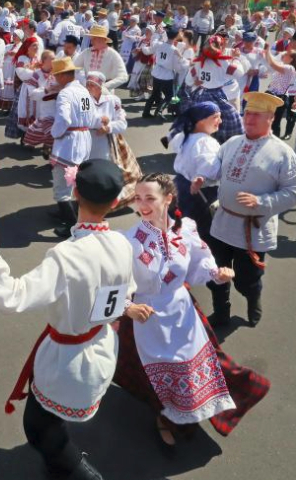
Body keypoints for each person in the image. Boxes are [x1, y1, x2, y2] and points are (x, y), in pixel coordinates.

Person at [0, 160, 137, 480]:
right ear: (116, 202)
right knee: (48, 422)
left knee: (38, 427)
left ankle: (77, 472)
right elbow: (123, 296)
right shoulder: (121, 243)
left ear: (74, 192)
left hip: (67, 360)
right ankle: (61, 467)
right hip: (101, 346)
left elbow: (10, 297)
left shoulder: (67, 255)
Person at [114, 173, 270, 450]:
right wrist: (128, 306)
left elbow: (201, 262)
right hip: (147, 316)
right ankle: (165, 418)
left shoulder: (186, 228)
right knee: (157, 373)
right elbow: (119, 281)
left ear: (168, 198)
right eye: (138, 198)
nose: (142, 205)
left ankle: (184, 413)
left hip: (182, 309)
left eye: (150, 198)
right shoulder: (130, 240)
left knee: (190, 365)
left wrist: (218, 273)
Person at [208, 92, 296, 327]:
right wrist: (202, 177)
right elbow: (217, 169)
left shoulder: (283, 154)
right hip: (222, 223)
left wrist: (261, 202)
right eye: (247, 113)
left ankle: (252, 296)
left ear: (271, 117)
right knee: (216, 274)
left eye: (256, 115)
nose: (248, 119)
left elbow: (293, 193)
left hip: (253, 229)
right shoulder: (232, 143)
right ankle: (221, 312)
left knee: (246, 279)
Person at [49, 57, 101, 238]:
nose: (55, 78)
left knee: (61, 182)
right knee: (75, 178)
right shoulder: (84, 91)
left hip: (69, 140)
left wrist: (54, 133)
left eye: (56, 75)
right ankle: (65, 212)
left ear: (63, 75)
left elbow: (64, 119)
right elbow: (95, 118)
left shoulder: (66, 94)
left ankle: (72, 224)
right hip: (84, 138)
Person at [168, 102, 222, 241]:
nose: (220, 121)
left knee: (177, 224)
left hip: (179, 185)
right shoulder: (206, 142)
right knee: (199, 231)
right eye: (216, 117)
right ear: (201, 120)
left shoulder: (183, 136)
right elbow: (214, 171)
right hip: (199, 193)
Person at [183, 36, 245, 144]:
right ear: (220, 47)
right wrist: (236, 58)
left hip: (202, 95)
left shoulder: (199, 62)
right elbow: (239, 73)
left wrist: (197, 81)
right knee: (232, 121)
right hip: (218, 96)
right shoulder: (222, 62)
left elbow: (188, 80)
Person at [23, 51, 59, 159]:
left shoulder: (59, 73)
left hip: (58, 107)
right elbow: (32, 94)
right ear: (44, 61)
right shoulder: (36, 75)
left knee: (56, 131)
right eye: (52, 59)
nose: (54, 61)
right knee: (49, 130)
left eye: (55, 58)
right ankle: (48, 147)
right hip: (44, 109)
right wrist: (47, 90)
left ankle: (49, 148)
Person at [85, 72, 127, 161]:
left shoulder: (113, 100)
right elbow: (84, 119)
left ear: (100, 87)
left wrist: (108, 127)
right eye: (87, 84)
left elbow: (122, 124)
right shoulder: (84, 100)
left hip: (106, 144)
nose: (88, 88)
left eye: (92, 85)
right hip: (87, 142)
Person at [142, 28, 183, 119]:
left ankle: (146, 112)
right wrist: (180, 64)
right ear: (175, 37)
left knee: (154, 93)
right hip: (167, 75)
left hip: (157, 72)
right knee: (169, 95)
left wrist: (157, 34)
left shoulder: (159, 44)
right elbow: (176, 66)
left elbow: (154, 41)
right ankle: (159, 110)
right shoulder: (174, 50)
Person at [74, 25, 128, 93]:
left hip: (105, 94)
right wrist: (84, 81)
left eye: (94, 39)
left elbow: (123, 77)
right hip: (87, 91)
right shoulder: (86, 52)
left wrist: (105, 86)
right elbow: (74, 68)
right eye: (91, 39)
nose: (91, 42)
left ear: (102, 39)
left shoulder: (113, 54)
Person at [263, 43, 296, 137]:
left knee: (274, 124)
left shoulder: (290, 68)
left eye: (286, 54)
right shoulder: (286, 66)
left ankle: (274, 142)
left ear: (291, 59)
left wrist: (267, 51)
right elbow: (272, 62)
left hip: (279, 97)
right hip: (274, 96)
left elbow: (272, 63)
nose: (284, 55)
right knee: (269, 121)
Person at [0, 29, 23, 111]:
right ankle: (5, 106)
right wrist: (7, 53)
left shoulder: (22, 46)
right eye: (14, 35)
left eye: (16, 36)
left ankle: (11, 107)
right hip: (7, 68)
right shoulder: (9, 46)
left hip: (14, 68)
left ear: (20, 37)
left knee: (12, 86)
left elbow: (22, 56)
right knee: (5, 85)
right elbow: (2, 54)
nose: (14, 37)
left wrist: (15, 54)